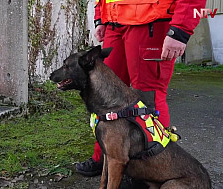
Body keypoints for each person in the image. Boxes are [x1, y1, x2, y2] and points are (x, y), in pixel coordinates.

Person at [76, 0, 207, 176]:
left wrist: (180, 31)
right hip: (115, 23)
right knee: (105, 96)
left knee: (149, 98)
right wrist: (101, 18)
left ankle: (152, 169)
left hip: (151, 22)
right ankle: (105, 158)